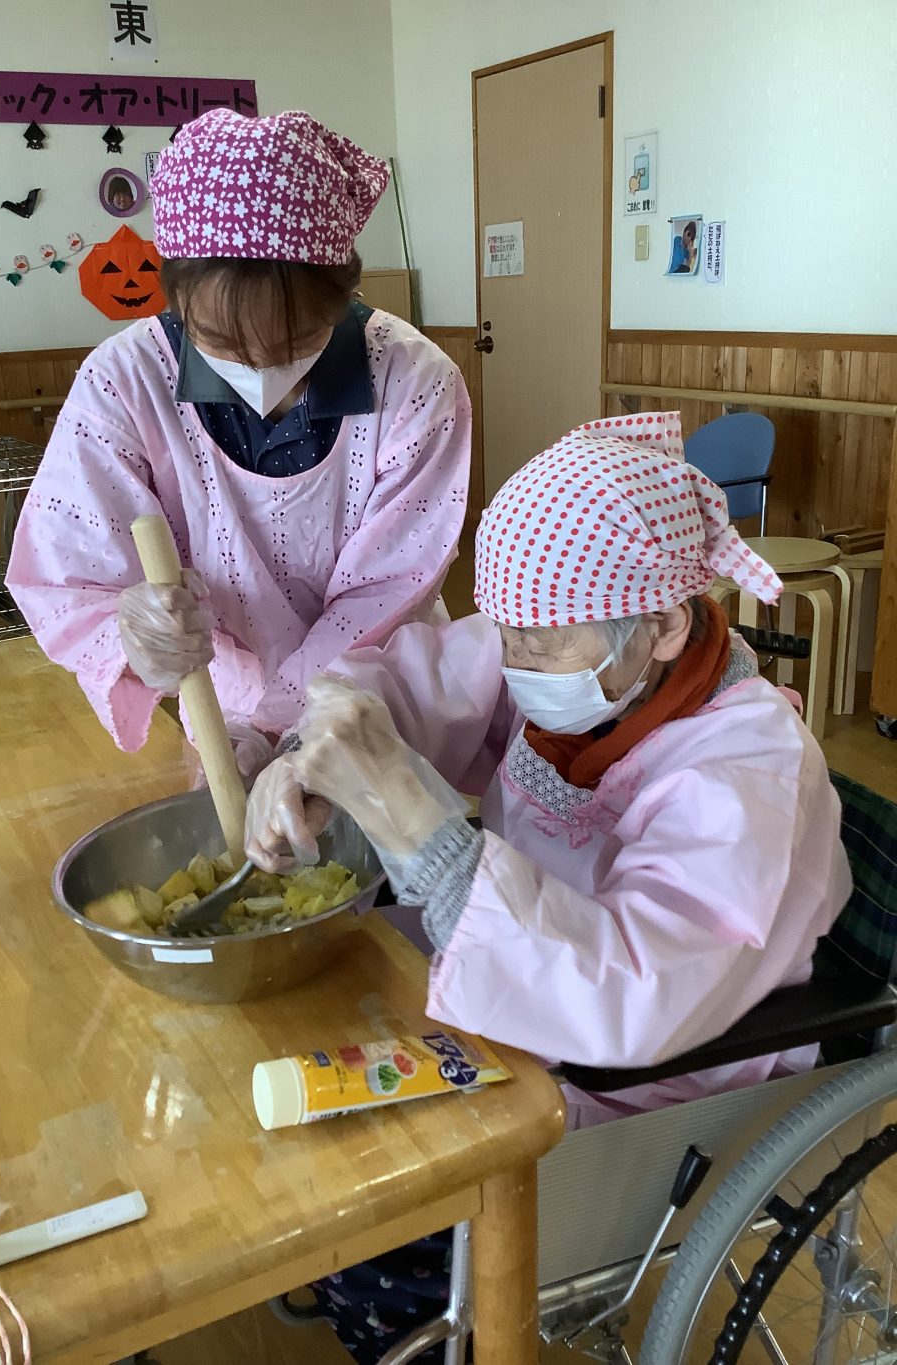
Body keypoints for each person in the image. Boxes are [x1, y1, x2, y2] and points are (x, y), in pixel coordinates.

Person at [246, 411, 851, 1362]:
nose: (513, 660)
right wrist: (309, 751)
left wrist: (432, 842)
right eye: (506, 630)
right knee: (309, 1059)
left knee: (373, 1190)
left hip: (652, 1084)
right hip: (533, 1002)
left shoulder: (744, 775)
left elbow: (631, 991)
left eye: (539, 644)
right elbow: (411, 679)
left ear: (664, 625)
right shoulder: (583, 652)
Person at [7, 109, 471, 778]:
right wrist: (132, 633)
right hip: (223, 706)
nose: (259, 367)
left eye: (295, 341)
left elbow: (388, 588)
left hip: (376, 692)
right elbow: (70, 570)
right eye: (221, 342)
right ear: (176, 296)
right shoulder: (125, 380)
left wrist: (278, 723)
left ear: (343, 295)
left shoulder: (414, 380)